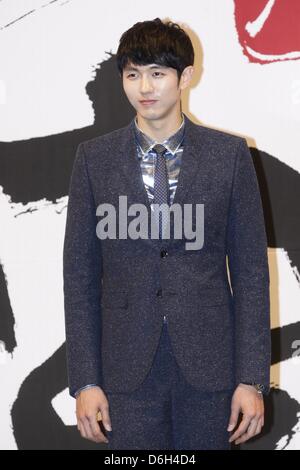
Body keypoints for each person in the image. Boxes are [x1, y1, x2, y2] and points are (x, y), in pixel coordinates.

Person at [63, 18, 271, 450]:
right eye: (133, 74)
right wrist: (84, 380)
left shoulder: (229, 156)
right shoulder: (93, 160)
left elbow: (252, 274)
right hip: (124, 370)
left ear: (185, 77)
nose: (145, 87)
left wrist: (251, 377)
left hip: (211, 368)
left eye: (158, 73)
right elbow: (79, 279)